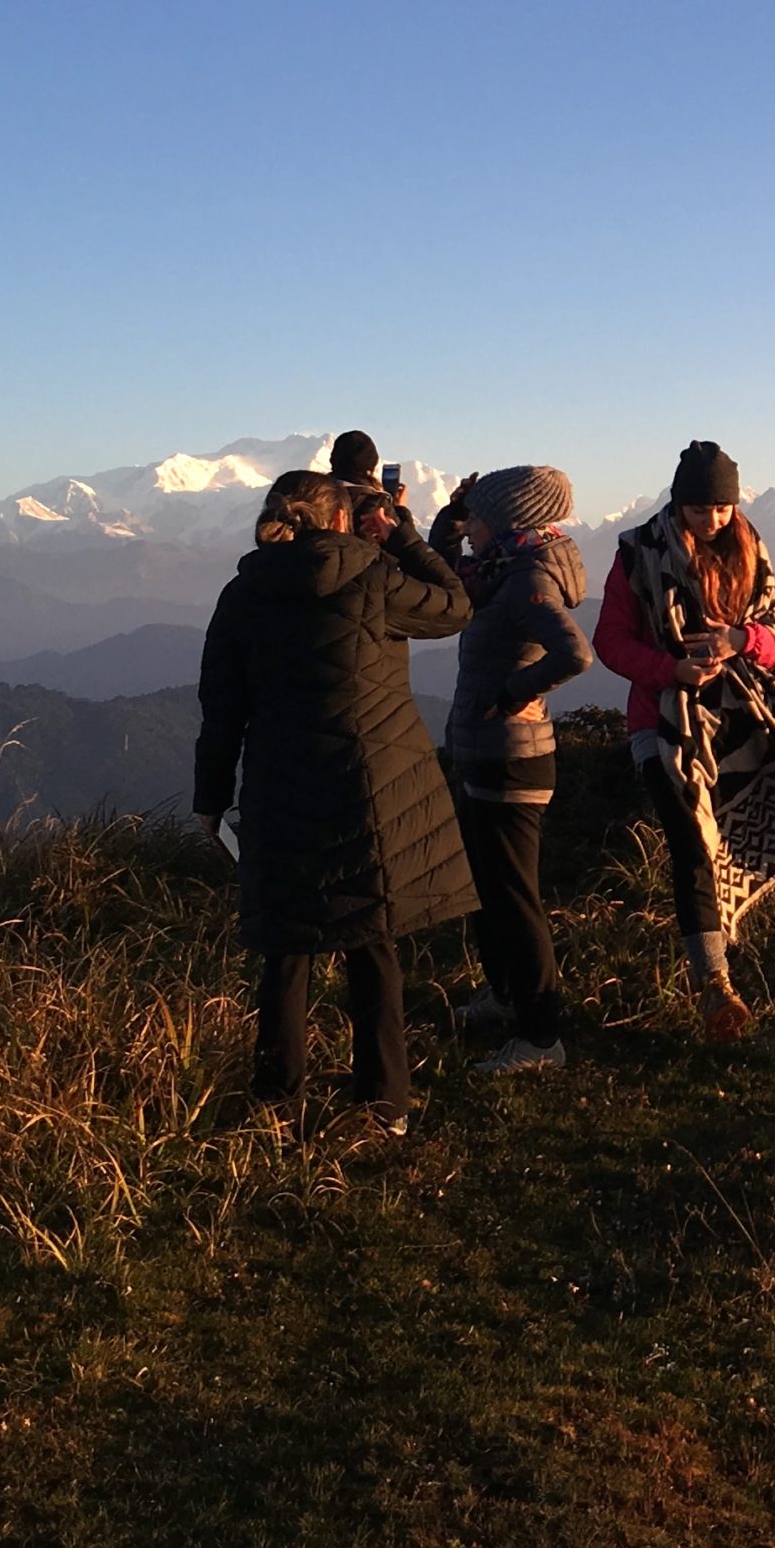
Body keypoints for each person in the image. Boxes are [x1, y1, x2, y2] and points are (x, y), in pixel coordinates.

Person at [193, 469, 476, 1132]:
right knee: (371, 945)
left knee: (286, 949)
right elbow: (456, 606)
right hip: (368, 786)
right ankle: (384, 1106)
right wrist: (404, 536)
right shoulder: (375, 576)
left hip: (279, 783)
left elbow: (222, 705)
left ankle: (275, 1105)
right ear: (343, 520)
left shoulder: (244, 592)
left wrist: (211, 797)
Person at [592, 440, 775, 1039]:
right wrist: (672, 671)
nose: (711, 520)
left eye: (721, 508)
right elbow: (610, 641)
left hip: (740, 713)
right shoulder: (637, 553)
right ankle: (715, 983)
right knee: (691, 837)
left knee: (726, 840)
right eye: (699, 509)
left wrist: (740, 640)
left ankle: (730, 939)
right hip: (664, 720)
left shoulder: (749, 546)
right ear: (677, 502)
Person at [425, 466, 594, 1075]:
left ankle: (542, 1038)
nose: (470, 530)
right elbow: (442, 571)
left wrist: (510, 691)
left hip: (511, 758)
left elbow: (575, 652)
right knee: (488, 887)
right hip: (489, 751)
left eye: (479, 518)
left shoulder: (525, 578)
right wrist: (453, 509)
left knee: (514, 898)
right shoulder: (498, 568)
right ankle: (504, 995)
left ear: (509, 522)